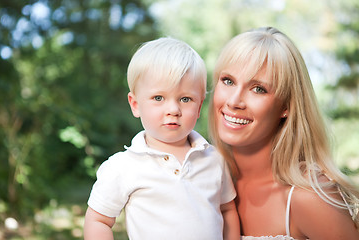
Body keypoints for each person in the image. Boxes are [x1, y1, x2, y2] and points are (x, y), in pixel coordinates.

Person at [208, 26, 359, 239]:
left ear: (286, 106)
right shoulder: (203, 180)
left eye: (258, 88)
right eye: (228, 81)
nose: (233, 101)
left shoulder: (308, 197)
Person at [84, 37, 241, 240]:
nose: (173, 110)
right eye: (158, 98)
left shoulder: (214, 159)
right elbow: (98, 220)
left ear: (200, 106)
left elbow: (227, 210)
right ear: (135, 104)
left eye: (185, 99)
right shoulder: (122, 167)